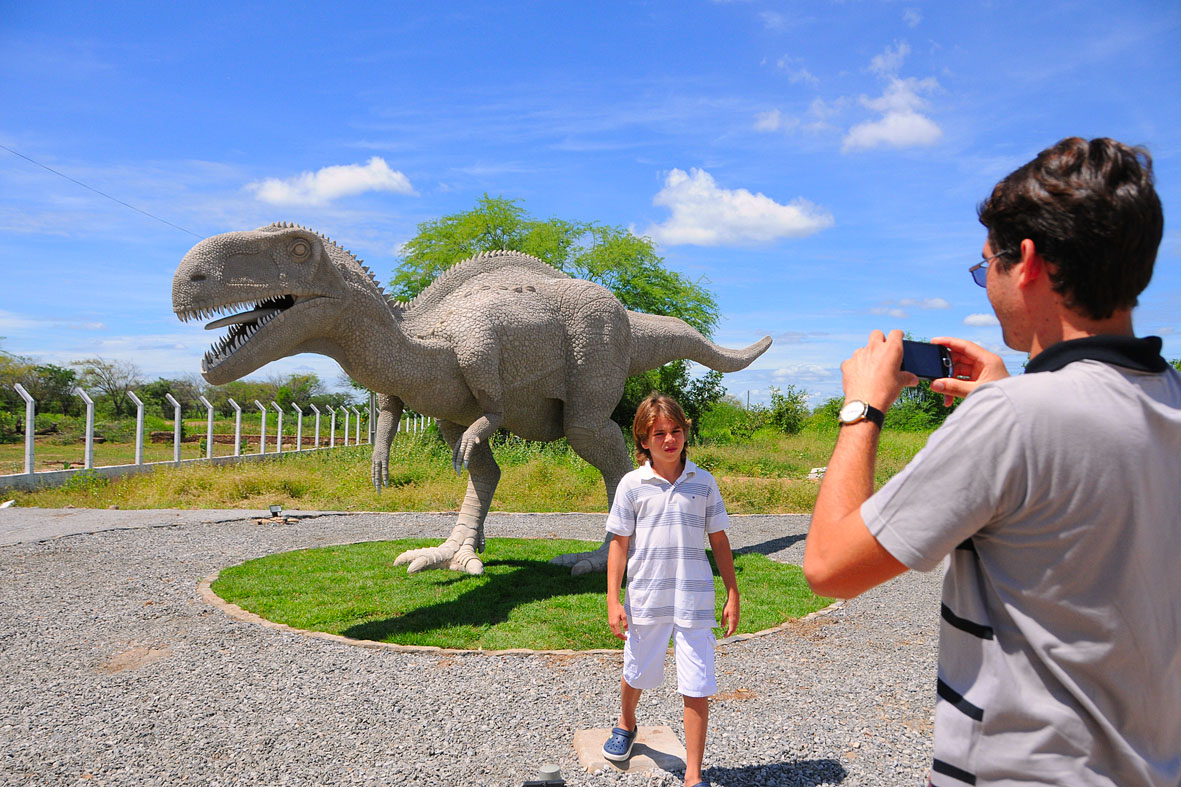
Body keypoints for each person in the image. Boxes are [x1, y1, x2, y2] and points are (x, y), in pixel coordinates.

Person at [803, 137, 1180, 786]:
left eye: (985, 269)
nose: (986, 287)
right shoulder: (1165, 398)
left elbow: (830, 565)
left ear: (1026, 261)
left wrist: (861, 409)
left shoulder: (1011, 419)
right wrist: (1014, 392)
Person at [601, 392, 740, 787]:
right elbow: (619, 544)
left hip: (695, 601)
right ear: (643, 439)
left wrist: (732, 592)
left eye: (675, 430)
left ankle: (693, 776)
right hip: (646, 597)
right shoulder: (632, 484)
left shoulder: (704, 482)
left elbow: (719, 539)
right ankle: (626, 723)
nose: (669, 439)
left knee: (697, 684)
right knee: (638, 670)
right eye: (658, 433)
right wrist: (613, 599)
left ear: (685, 432)